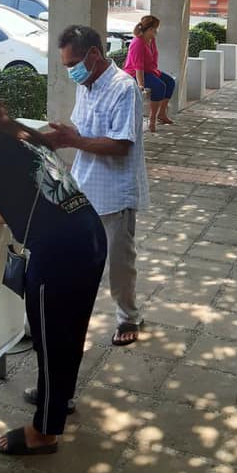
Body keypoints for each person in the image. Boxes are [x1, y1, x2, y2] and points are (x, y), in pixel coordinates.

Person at [0, 87, 106, 456]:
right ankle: (60, 398)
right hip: (88, 234)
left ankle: (44, 432)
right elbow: (26, 201)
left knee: (50, 340)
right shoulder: (25, 137)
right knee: (70, 331)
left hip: (57, 251)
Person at [47, 25, 148, 347]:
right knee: (74, 257)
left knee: (119, 263)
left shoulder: (123, 88)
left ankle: (128, 317)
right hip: (83, 187)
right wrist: (54, 140)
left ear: (93, 54)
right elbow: (82, 132)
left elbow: (121, 145)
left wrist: (74, 140)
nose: (71, 72)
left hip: (115, 193)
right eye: (66, 66)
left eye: (73, 64)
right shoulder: (86, 86)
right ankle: (69, 314)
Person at [123, 15, 175, 133]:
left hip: (150, 70)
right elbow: (138, 67)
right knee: (159, 86)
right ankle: (152, 119)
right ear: (151, 29)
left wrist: (154, 72)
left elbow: (153, 58)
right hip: (135, 73)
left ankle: (162, 113)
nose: (157, 31)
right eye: (156, 28)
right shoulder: (138, 43)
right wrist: (141, 85)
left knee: (170, 82)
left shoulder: (151, 40)